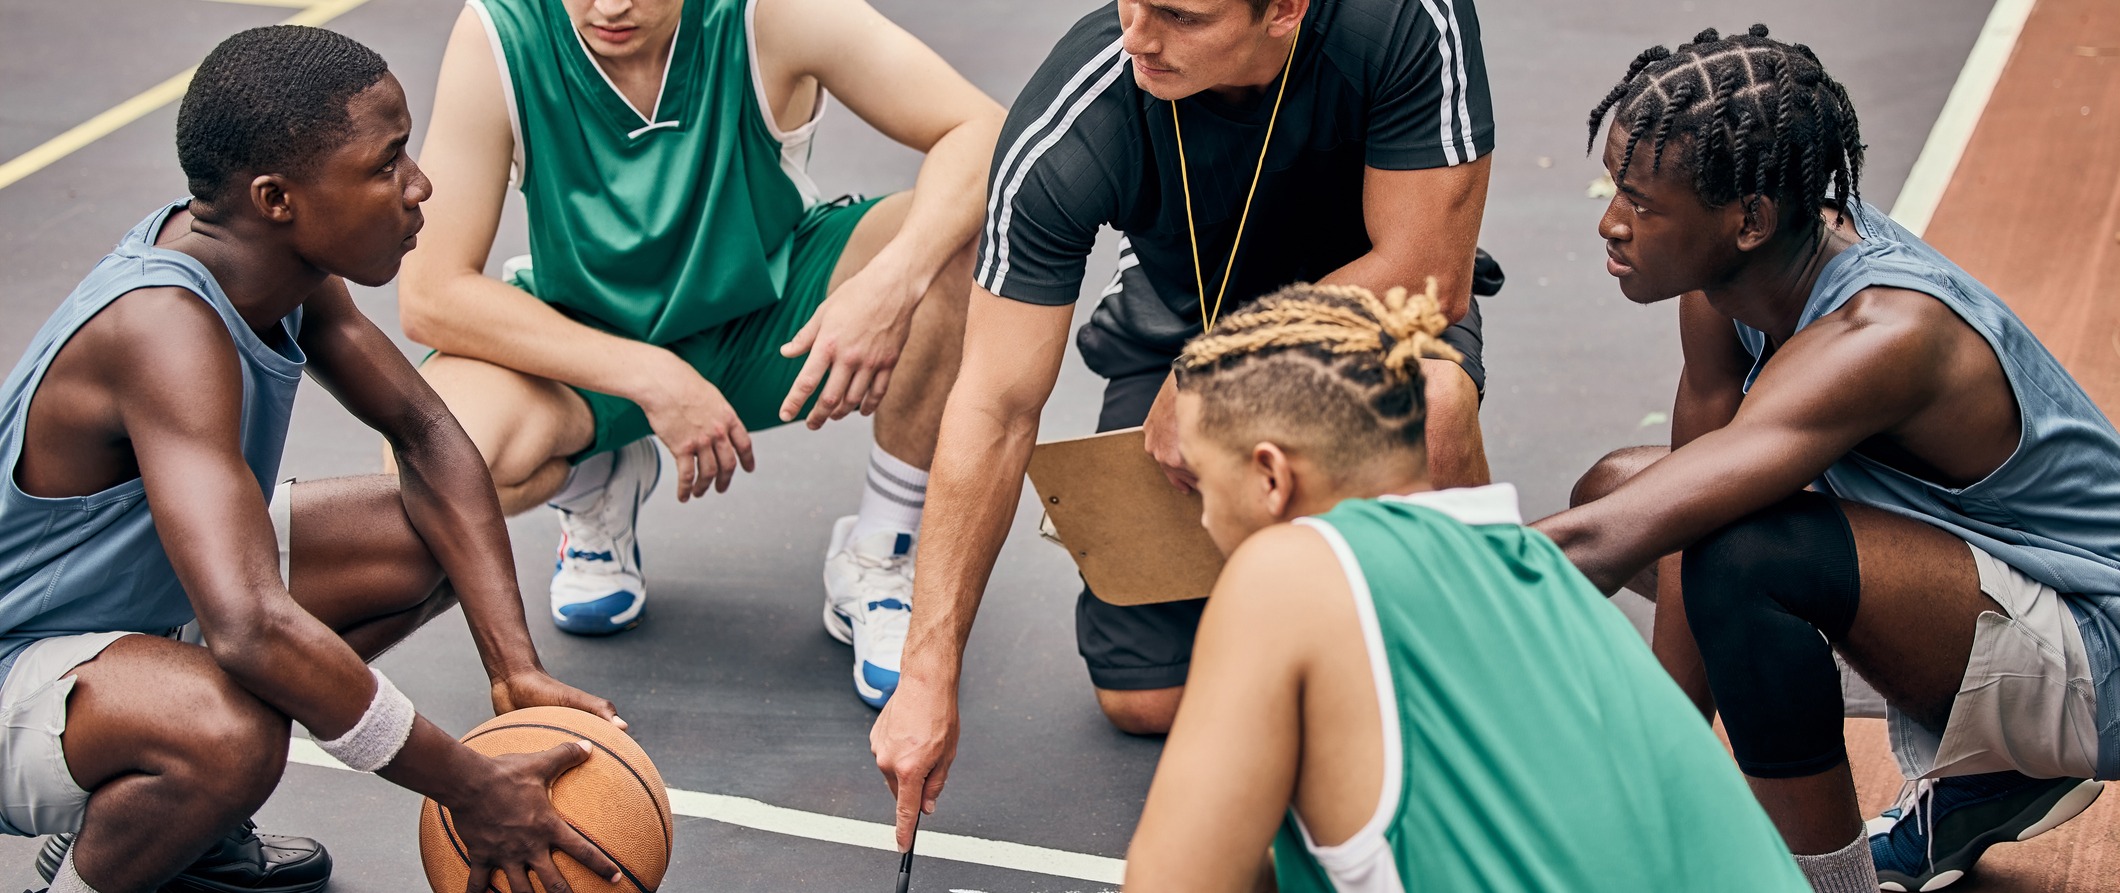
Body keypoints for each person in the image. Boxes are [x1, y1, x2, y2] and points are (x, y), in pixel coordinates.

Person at [0, 27, 629, 893]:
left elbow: (430, 437)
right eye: (386, 163)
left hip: (125, 610)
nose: (420, 186)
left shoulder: (282, 269)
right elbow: (253, 627)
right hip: (16, 658)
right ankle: (98, 855)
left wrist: (513, 666)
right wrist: (467, 784)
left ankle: (182, 821)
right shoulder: (163, 331)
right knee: (227, 733)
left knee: (427, 540)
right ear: (276, 197)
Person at [874, 0, 1498, 844]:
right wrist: (927, 672)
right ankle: (1305, 654)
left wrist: (1219, 366)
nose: (1136, 36)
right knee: (1143, 699)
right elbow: (993, 405)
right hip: (1178, 321)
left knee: (1435, 399)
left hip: (1372, 315)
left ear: (1284, 10)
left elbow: (1430, 274)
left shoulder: (1401, 21)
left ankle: (1481, 687)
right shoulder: (1079, 112)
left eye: (1180, 15)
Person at [1535, 25, 2116, 893]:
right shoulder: (1731, 280)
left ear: (1749, 219)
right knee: (1626, 489)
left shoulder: (1883, 331)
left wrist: (1387, 585)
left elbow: (1616, 545)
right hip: (1992, 591)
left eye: (1644, 204)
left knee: (1749, 558)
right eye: (1618, 186)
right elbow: (1672, 523)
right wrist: (1664, 782)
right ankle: (1993, 777)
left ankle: (1830, 884)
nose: (1610, 221)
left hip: (2098, 646)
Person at [399, 0, 1002, 706]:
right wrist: (649, 374)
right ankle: (598, 486)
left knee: (963, 233)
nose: (609, 6)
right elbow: (431, 292)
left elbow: (985, 131)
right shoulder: (502, 32)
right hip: (595, 344)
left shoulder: (769, 14)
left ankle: (882, 550)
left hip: (771, 313)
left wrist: (891, 286)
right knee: (428, 456)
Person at [1122, 281, 1807, 892]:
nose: (1205, 518)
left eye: (1204, 487)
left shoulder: (1286, 570)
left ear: (1271, 477)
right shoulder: (1533, 570)